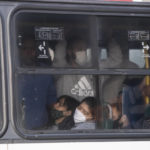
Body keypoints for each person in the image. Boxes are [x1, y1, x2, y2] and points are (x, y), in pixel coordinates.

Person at [18, 38, 57, 130]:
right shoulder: (11, 71)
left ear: (36, 51)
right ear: (20, 51)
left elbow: (51, 101)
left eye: (32, 49)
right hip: (18, 128)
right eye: (25, 49)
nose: (28, 52)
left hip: (42, 127)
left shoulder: (45, 72)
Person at [56, 36, 95, 102]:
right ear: (69, 51)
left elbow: (115, 61)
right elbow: (58, 58)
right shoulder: (62, 71)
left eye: (85, 49)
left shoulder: (91, 71)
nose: (83, 52)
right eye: (79, 49)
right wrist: (62, 36)